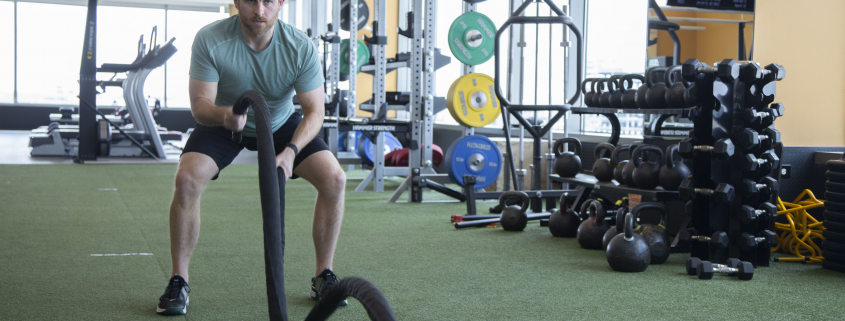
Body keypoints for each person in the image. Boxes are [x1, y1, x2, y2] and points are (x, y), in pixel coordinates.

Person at [156, 0, 346, 315]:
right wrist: (225, 115)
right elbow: (200, 104)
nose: (259, 9)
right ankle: (179, 280)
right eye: (250, 0)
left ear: (281, 3)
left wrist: (292, 151)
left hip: (282, 123)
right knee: (186, 180)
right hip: (227, 118)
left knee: (335, 180)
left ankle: (323, 275)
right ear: (236, 2)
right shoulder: (211, 38)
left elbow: (315, 112)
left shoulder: (299, 46)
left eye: (268, 1)